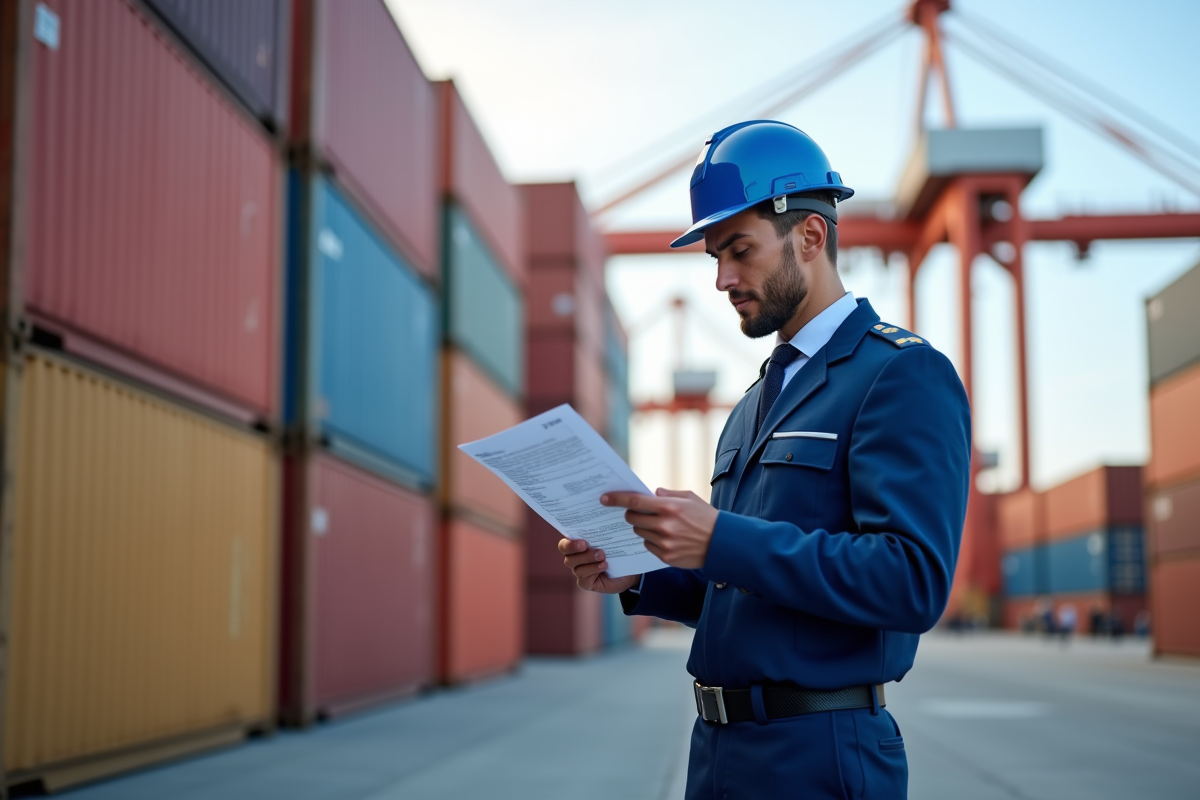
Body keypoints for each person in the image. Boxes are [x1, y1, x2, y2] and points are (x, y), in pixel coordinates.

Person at [558, 120, 971, 799]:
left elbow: (912, 581)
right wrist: (640, 575)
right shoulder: (753, 404)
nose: (723, 278)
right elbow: (737, 587)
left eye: (740, 250)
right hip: (718, 756)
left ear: (809, 236)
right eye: (715, 257)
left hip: (820, 754)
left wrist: (718, 537)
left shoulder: (899, 374)